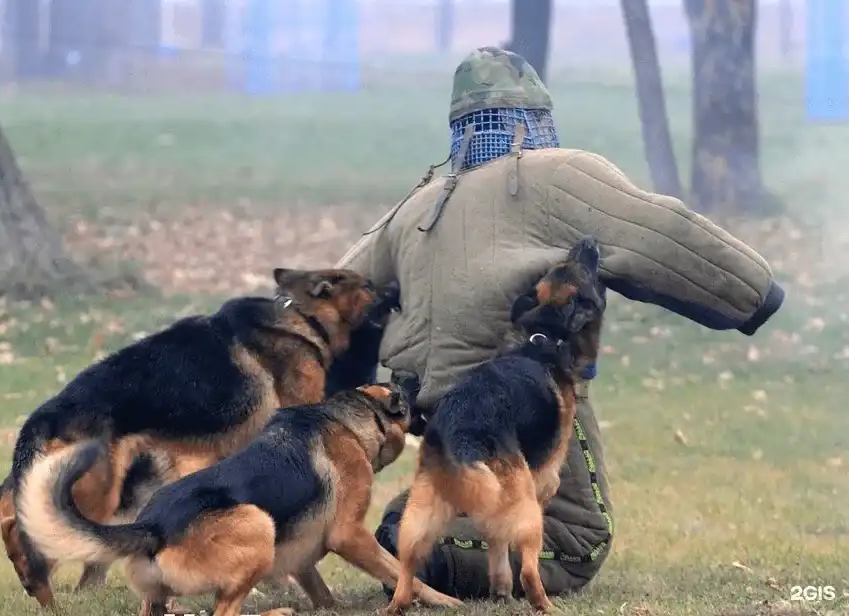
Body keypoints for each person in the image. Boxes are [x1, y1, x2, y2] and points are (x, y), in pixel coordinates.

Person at [333, 46, 784, 599]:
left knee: (463, 482)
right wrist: (754, 293)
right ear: (532, 118)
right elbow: (660, 233)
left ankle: (420, 528)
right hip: (524, 395)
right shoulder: (557, 175)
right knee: (574, 540)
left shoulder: (417, 205)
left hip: (429, 409)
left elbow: (335, 292)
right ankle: (436, 559)